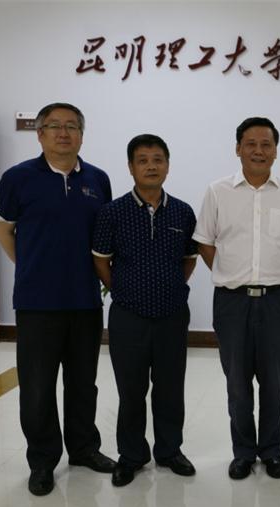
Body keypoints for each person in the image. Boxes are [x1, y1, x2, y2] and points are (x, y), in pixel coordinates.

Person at [0, 102, 115, 496]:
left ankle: (83, 449)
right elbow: (3, 229)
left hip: (85, 301)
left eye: (72, 126)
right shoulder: (18, 178)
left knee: (83, 383)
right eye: (55, 126)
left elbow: (103, 239)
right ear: (40, 133)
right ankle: (43, 460)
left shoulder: (98, 180)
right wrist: (31, 264)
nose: (64, 133)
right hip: (37, 303)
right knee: (38, 386)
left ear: (82, 134)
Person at [193, 117, 280, 480]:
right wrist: (233, 274)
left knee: (274, 383)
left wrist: (275, 274)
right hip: (232, 302)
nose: (258, 151)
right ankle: (243, 452)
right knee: (237, 383)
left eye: (266, 144)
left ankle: (272, 451)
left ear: (276, 150)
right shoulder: (218, 191)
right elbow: (205, 242)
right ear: (238, 149)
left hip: (276, 301)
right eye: (251, 144)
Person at [92, 134, 198, 487]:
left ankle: (170, 451)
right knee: (131, 390)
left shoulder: (183, 211)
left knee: (170, 388)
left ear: (167, 165)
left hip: (171, 314)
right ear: (131, 167)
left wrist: (170, 286)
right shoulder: (112, 212)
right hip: (128, 316)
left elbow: (188, 260)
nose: (151, 166)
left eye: (158, 159)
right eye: (143, 160)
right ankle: (132, 455)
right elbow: (101, 262)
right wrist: (124, 290)